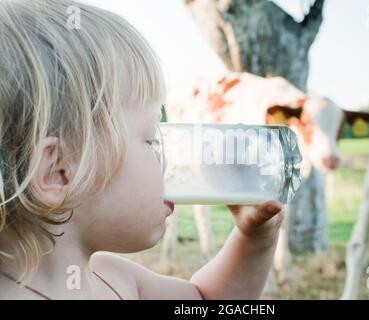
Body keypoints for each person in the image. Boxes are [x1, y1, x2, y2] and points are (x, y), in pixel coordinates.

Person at [0, 0, 284, 299]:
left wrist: (254, 238)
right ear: (58, 171)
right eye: (150, 140)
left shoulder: (114, 276)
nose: (166, 159)